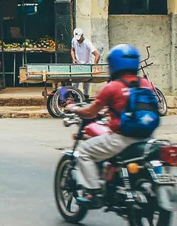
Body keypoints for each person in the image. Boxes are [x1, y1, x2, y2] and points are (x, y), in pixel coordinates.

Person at [66, 44, 159, 199]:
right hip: (147, 137)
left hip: (121, 138)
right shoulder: (145, 84)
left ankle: (93, 191)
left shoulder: (112, 87)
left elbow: (90, 112)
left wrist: (74, 108)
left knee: (84, 151)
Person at [70, 28, 100, 99]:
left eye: (79, 39)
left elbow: (97, 55)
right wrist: (74, 59)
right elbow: (72, 50)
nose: (78, 41)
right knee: (75, 83)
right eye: (77, 39)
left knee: (86, 85)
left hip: (87, 65)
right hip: (77, 65)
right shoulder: (74, 40)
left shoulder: (87, 43)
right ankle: (74, 97)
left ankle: (86, 97)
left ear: (82, 35)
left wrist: (94, 66)